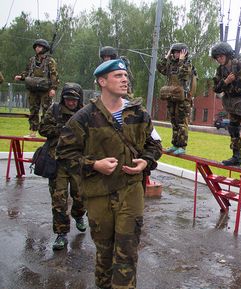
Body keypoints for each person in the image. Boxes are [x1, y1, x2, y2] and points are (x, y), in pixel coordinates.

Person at [56, 59, 162, 289]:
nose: (125, 79)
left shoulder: (138, 113)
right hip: (98, 195)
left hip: (130, 191)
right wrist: (94, 165)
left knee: (127, 251)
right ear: (102, 81)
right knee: (104, 252)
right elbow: (64, 153)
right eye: (118, 76)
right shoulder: (84, 117)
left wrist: (145, 161)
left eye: (125, 75)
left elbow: (155, 145)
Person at [39, 82, 87, 250]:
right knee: (58, 200)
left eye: (74, 100)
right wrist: (62, 130)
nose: (71, 103)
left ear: (79, 100)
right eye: (68, 99)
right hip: (57, 162)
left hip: (78, 163)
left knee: (80, 196)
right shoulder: (54, 110)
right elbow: (43, 129)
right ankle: (61, 234)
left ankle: (79, 215)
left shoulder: (85, 113)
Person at [211, 42, 241, 171]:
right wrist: (226, 81)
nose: (219, 59)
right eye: (217, 57)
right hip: (231, 103)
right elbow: (216, 88)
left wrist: (231, 83)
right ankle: (236, 157)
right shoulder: (220, 70)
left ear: (227, 55)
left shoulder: (240, 66)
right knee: (233, 128)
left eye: (221, 56)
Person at [14, 39, 59, 137]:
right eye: (36, 46)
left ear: (44, 48)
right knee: (33, 110)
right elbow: (27, 72)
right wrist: (21, 77)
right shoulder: (32, 60)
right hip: (33, 89)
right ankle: (33, 132)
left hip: (45, 90)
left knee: (46, 110)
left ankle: (45, 131)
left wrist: (53, 88)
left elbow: (54, 75)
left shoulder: (50, 61)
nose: (37, 48)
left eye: (40, 46)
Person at [157, 42, 195, 155]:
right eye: (175, 52)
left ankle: (182, 146)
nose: (177, 54)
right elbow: (160, 68)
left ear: (184, 53)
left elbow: (183, 74)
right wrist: (166, 57)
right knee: (173, 121)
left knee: (182, 122)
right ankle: (175, 144)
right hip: (172, 96)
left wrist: (181, 61)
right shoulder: (171, 65)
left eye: (179, 52)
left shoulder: (187, 64)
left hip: (184, 99)